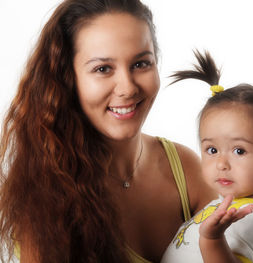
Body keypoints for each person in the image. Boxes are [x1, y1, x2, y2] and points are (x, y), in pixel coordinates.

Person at [0, 1, 220, 262]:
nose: (127, 88)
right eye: (102, 69)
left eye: (141, 64)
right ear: (68, 79)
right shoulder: (45, 190)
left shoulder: (187, 170)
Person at [160, 51, 253, 263]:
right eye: (212, 150)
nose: (221, 164)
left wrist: (211, 239)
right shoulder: (234, 203)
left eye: (239, 151)